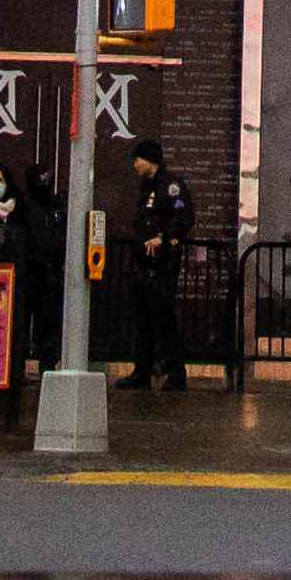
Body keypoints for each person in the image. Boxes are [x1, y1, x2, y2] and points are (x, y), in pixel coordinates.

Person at [121, 140, 195, 392]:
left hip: (163, 263)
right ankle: (142, 371)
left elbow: (184, 216)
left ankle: (175, 373)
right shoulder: (146, 187)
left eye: (138, 159)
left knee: (164, 318)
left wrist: (163, 237)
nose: (134, 164)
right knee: (142, 319)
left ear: (150, 160)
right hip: (143, 261)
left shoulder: (171, 186)